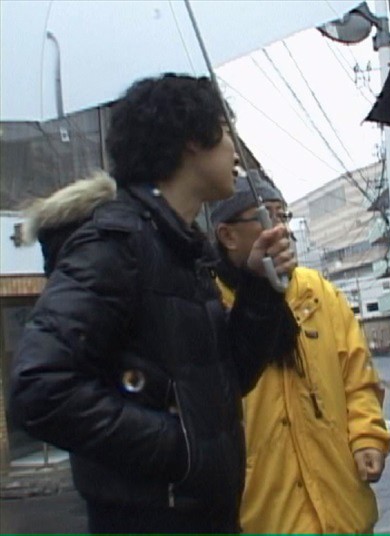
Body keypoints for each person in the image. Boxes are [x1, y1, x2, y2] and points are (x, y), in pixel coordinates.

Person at [10, 74, 299, 534]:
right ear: (192, 141)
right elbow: (39, 389)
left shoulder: (184, 251)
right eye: (226, 132)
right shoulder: (114, 245)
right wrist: (179, 447)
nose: (235, 154)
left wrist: (258, 285)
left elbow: (227, 381)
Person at [211, 171, 390, 534]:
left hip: (343, 509)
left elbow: (357, 377)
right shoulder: (211, 305)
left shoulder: (317, 293)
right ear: (228, 236)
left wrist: (366, 436)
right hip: (265, 518)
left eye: (283, 215)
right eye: (266, 217)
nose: (280, 229)